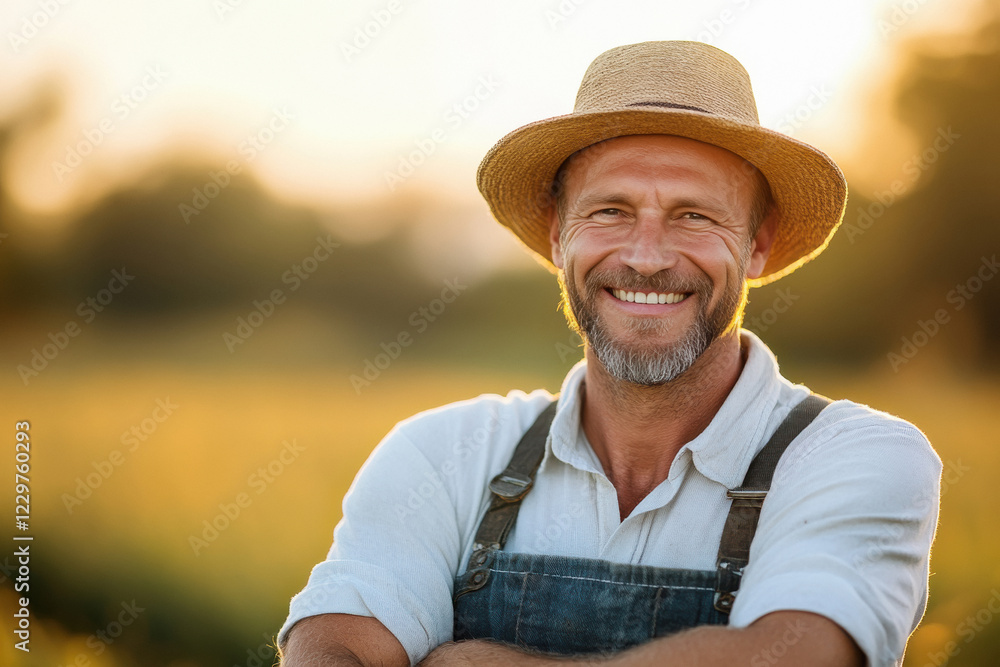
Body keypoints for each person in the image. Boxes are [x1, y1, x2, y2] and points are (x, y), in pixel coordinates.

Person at [277, 41, 941, 667]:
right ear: (557, 233)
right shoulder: (442, 452)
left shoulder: (857, 456)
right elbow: (335, 640)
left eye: (695, 216)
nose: (646, 258)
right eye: (610, 211)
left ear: (758, 243)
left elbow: (794, 652)